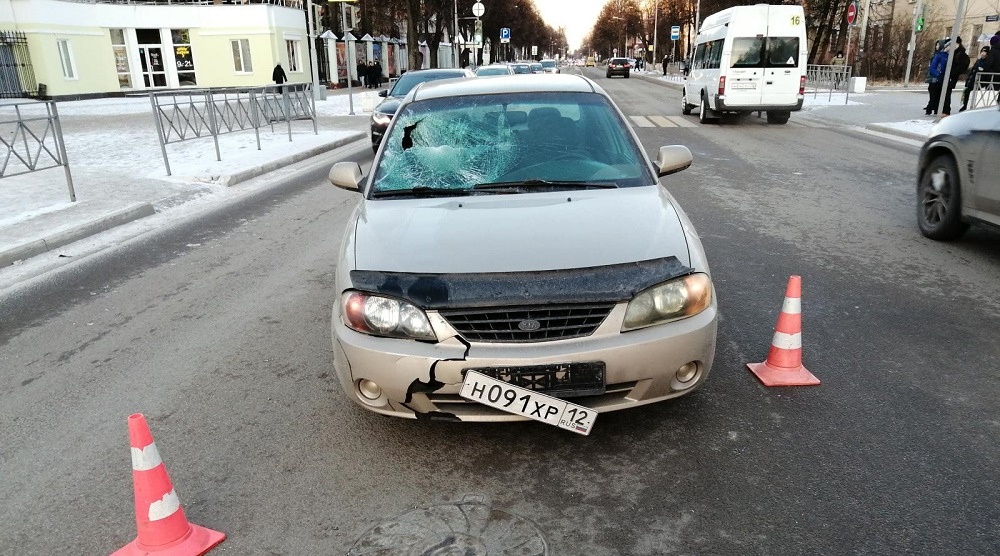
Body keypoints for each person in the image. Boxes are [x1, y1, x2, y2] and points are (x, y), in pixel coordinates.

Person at [942, 37, 969, 116]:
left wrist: (954, 72)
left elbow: (963, 65)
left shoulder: (960, 53)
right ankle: (943, 109)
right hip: (948, 74)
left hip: (952, 75)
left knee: (947, 92)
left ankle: (946, 110)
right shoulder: (952, 51)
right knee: (944, 92)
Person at [960, 45, 990, 111]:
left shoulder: (987, 62)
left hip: (980, 81)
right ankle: (965, 105)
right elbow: (973, 70)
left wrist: (982, 70)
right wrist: (968, 79)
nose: (983, 53)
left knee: (976, 94)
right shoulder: (978, 61)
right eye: (982, 51)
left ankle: (972, 106)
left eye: (984, 52)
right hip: (973, 79)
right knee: (967, 92)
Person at [924, 39, 949, 115]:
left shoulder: (943, 55)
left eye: (938, 45)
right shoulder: (937, 55)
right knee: (933, 95)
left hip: (938, 78)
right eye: (936, 45)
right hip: (934, 78)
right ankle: (930, 109)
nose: (937, 46)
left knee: (937, 96)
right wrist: (938, 74)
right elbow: (932, 67)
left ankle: (934, 109)